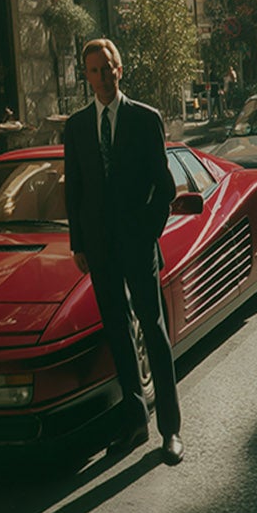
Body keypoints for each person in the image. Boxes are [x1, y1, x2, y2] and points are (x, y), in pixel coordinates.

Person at [62, 37, 185, 464]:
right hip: (99, 249)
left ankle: (170, 429)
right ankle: (135, 423)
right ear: (87, 76)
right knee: (117, 332)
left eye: (106, 67)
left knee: (152, 329)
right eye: (92, 70)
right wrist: (79, 244)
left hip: (137, 244)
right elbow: (74, 189)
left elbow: (164, 187)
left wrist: (147, 232)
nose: (101, 77)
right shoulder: (77, 126)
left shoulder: (144, 119)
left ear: (120, 69)